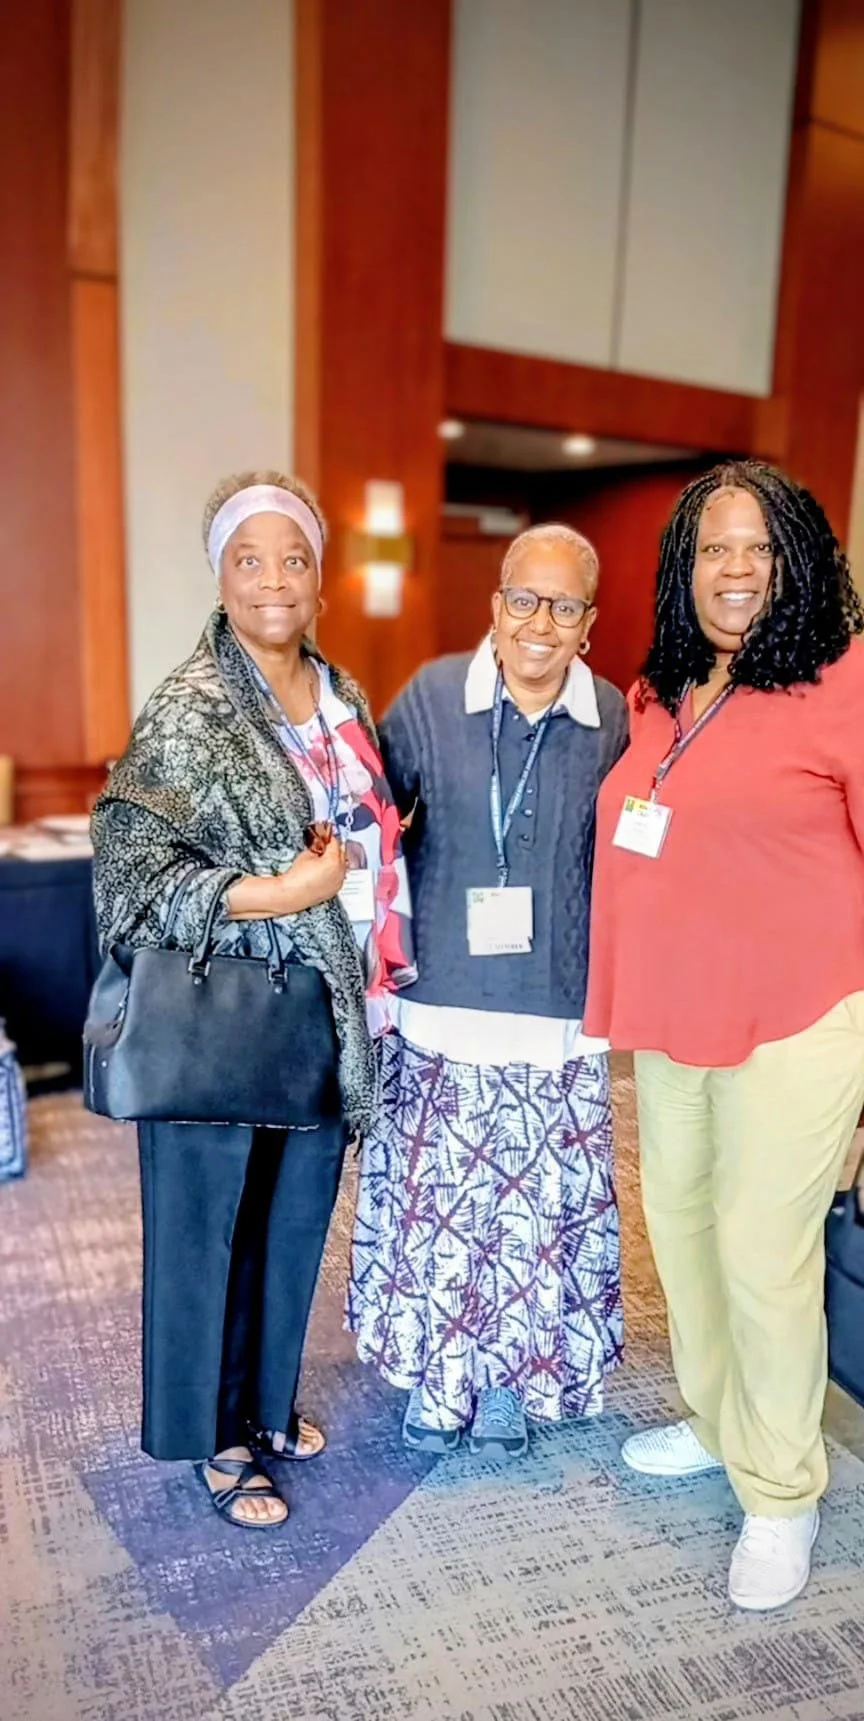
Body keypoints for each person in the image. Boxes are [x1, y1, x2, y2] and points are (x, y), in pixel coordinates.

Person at [91, 471, 415, 1529]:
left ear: (319, 575)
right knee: (207, 1233)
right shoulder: (191, 708)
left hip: (320, 1007)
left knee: (288, 1227)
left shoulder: (341, 690)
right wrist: (283, 891)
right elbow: (130, 875)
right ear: (220, 576)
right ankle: (214, 1437)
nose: (274, 579)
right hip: (222, 1012)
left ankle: (265, 1405)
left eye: (294, 558)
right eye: (249, 559)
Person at [584, 459, 864, 1611]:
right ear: (682, 569)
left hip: (803, 1011)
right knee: (683, 1229)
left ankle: (784, 1489)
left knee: (762, 1248)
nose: (735, 568)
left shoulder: (845, 681)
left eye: (758, 545)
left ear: (798, 557)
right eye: (712, 548)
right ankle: (718, 1417)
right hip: (673, 1014)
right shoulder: (664, 692)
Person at [348, 523, 627, 1459]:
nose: (540, 623)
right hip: (441, 1010)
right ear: (494, 605)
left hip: (557, 1013)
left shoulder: (616, 719)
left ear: (589, 622)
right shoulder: (432, 696)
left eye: (565, 605)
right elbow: (369, 823)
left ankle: (517, 1376)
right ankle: (439, 1378)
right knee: (447, 1212)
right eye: (524, 599)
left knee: (539, 1213)